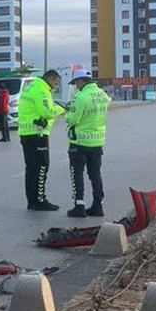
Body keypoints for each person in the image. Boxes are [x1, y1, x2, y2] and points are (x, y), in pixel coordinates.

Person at [18, 70, 67, 211]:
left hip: (27, 132)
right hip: (37, 133)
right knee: (41, 166)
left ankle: (32, 200)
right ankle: (40, 200)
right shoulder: (41, 90)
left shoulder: (31, 86)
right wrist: (61, 108)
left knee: (31, 168)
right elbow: (47, 112)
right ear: (51, 79)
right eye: (56, 83)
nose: (56, 87)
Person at [65, 68, 110, 218]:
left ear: (81, 81)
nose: (75, 86)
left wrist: (68, 112)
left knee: (77, 174)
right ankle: (98, 206)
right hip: (97, 141)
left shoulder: (81, 96)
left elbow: (72, 119)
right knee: (95, 174)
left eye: (76, 83)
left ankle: (79, 206)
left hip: (80, 142)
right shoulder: (103, 95)